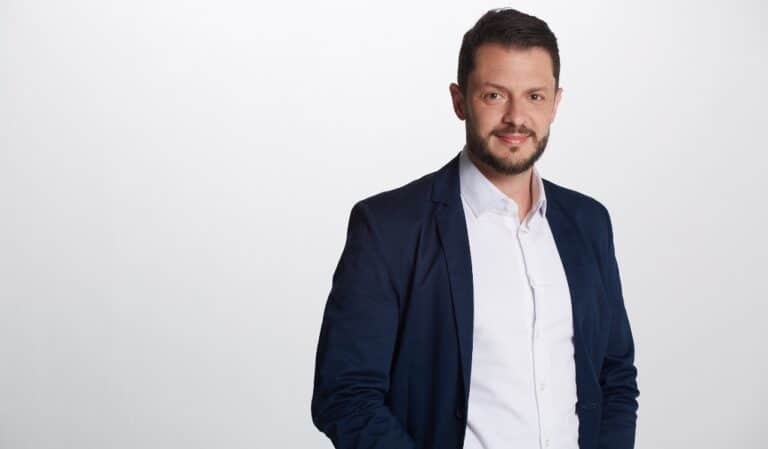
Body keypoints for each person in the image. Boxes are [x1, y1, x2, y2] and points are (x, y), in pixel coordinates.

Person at [311, 7, 639, 449]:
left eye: (535, 96)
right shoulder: (389, 228)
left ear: (556, 103)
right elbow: (345, 395)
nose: (516, 117)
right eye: (495, 95)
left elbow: (615, 376)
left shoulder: (589, 222)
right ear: (459, 100)